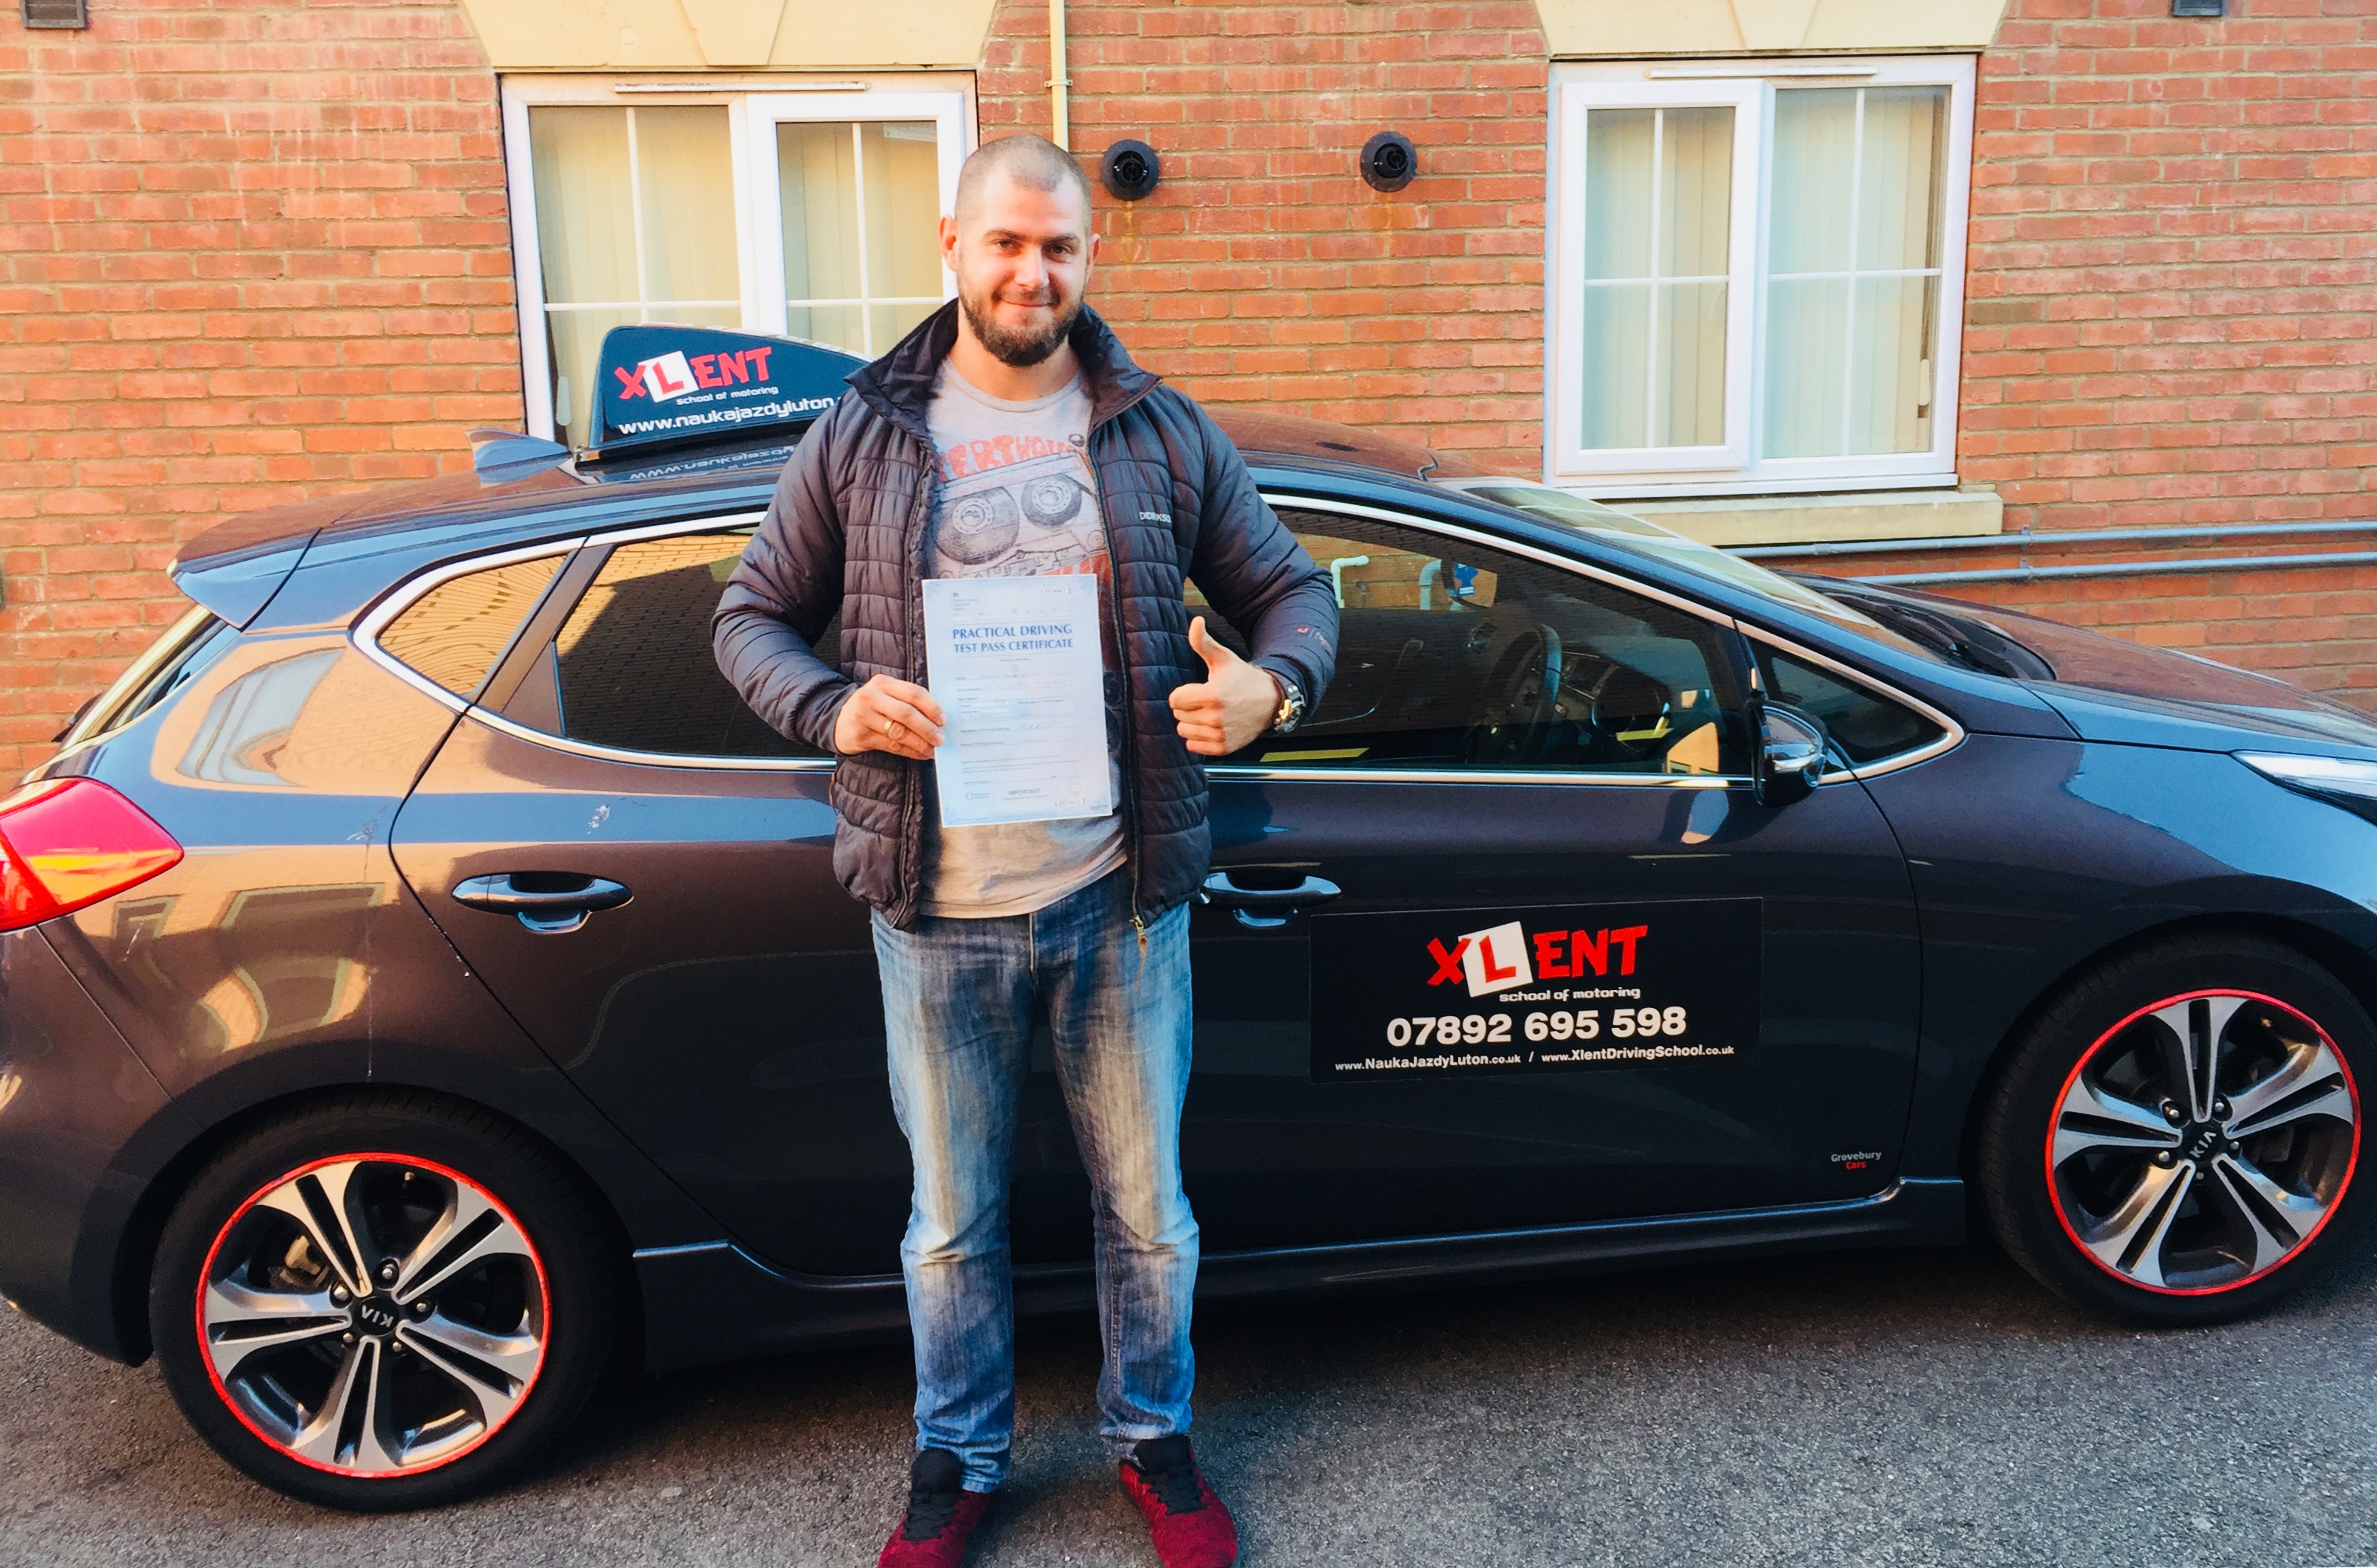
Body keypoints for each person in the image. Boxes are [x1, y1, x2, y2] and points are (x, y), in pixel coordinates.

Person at [713, 132, 1337, 1568]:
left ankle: (1154, 1439)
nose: (1031, 271)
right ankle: (959, 1455)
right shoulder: (864, 432)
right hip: (933, 904)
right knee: (949, 1222)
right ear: (952, 245)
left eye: (1058, 246)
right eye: (1004, 242)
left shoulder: (1158, 430)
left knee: (1150, 1213)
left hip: (1121, 898)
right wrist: (835, 705)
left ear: (1088, 256)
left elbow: (1294, 590)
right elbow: (749, 618)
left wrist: (1275, 689)